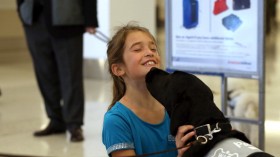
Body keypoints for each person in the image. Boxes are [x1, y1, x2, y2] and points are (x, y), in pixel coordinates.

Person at [102, 23, 195, 156]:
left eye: (153, 48)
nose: (149, 53)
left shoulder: (177, 106)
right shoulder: (116, 120)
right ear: (118, 69)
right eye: (137, 49)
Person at [16, 0, 98, 142]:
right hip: (34, 20)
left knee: (71, 76)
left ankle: (74, 124)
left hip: (67, 19)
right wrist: (22, 12)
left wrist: (90, 19)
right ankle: (55, 120)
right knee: (44, 74)